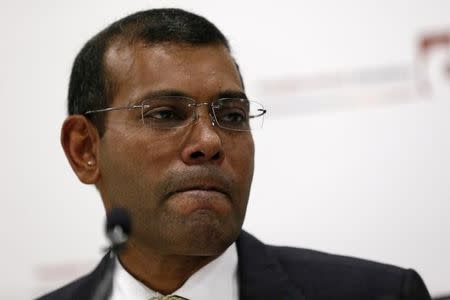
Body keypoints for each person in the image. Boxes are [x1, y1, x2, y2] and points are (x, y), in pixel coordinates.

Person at [37, 8, 431, 300]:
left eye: (231, 115)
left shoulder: (381, 293)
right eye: (165, 114)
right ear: (85, 149)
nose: (210, 142)